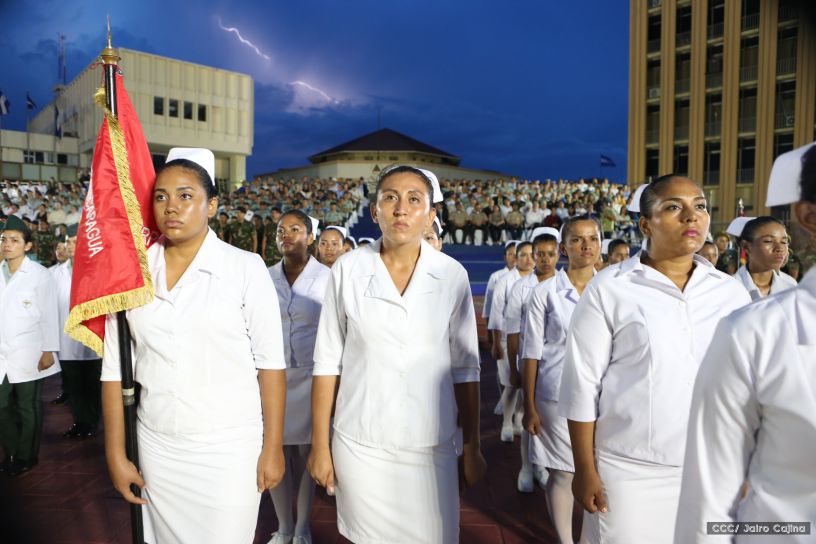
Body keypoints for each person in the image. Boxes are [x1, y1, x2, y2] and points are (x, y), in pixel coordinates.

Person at [101, 148, 287, 543]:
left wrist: (273, 446)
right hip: (157, 445)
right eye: (162, 196)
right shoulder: (132, 275)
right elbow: (114, 373)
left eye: (186, 195)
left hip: (229, 449)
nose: (172, 207)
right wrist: (116, 455)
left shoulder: (244, 267)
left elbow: (270, 366)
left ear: (212, 204)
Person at [559, 174, 750, 543]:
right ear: (646, 224)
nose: (691, 217)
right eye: (674, 208)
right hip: (630, 470)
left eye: (700, 207)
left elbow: (743, 386)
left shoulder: (729, 293)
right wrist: (584, 468)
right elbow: (582, 385)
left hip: (713, 468)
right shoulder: (611, 288)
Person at [307, 165, 485, 543]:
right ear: (375, 211)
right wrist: (320, 446)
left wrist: (472, 446)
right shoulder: (348, 270)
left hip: (431, 444)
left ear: (430, 215)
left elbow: (466, 369)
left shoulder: (451, 275)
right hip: (361, 442)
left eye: (413, 200)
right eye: (390, 198)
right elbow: (327, 363)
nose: (401, 209)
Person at [675, 142, 816, 544]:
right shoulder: (751, 331)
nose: (778, 250)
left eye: (782, 242)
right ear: (809, 215)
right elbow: (708, 508)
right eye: (769, 241)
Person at [521, 216, 601, 544]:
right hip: (555, 394)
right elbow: (531, 351)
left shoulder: (612, 287)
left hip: (604, 395)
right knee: (564, 470)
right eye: (578, 240)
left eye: (593, 238)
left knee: (600, 472)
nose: (586, 246)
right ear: (564, 248)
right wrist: (528, 405)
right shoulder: (545, 292)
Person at [267, 210, 330, 544]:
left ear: (309, 237)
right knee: (275, 448)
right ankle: (284, 526)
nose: (286, 234)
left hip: (310, 376)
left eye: (295, 229)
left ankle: (303, 526)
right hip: (273, 377)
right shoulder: (263, 276)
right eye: (281, 229)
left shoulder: (328, 278)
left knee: (306, 453)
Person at [0, 215, 61, 477]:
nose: (7, 244)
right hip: (2, 351)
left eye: (15, 240)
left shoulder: (39, 274)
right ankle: (11, 451)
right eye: (4, 239)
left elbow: (49, 314)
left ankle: (27, 455)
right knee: (2, 405)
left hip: (29, 350)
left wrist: (49, 350)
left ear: (27, 246)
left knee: (28, 405)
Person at [504, 228, 559, 492]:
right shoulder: (521, 288)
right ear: (532, 256)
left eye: (551, 254)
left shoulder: (565, 285)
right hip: (529, 361)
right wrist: (514, 368)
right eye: (540, 254)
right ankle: (527, 465)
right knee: (529, 414)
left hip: (556, 364)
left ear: (558, 254)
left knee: (551, 417)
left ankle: (544, 465)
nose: (546, 259)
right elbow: (513, 331)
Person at [52, 224, 102, 439]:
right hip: (66, 340)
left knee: (92, 384)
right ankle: (80, 421)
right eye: (68, 242)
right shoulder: (54, 274)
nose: (70, 246)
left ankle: (90, 421)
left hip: (92, 340)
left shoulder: (98, 270)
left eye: (75, 241)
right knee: (74, 385)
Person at [489, 241, 535, 443]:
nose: (528, 259)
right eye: (523, 255)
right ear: (516, 257)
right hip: (508, 340)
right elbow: (496, 312)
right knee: (511, 384)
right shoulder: (505, 280)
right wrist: (496, 342)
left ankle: (519, 420)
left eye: (531, 254)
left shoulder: (541, 280)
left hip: (533, 341)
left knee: (528, 386)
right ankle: (506, 423)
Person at [734, 216, 797, 300]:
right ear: (746, 246)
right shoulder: (729, 288)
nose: (779, 248)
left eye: (783, 242)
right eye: (768, 241)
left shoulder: (791, 287)